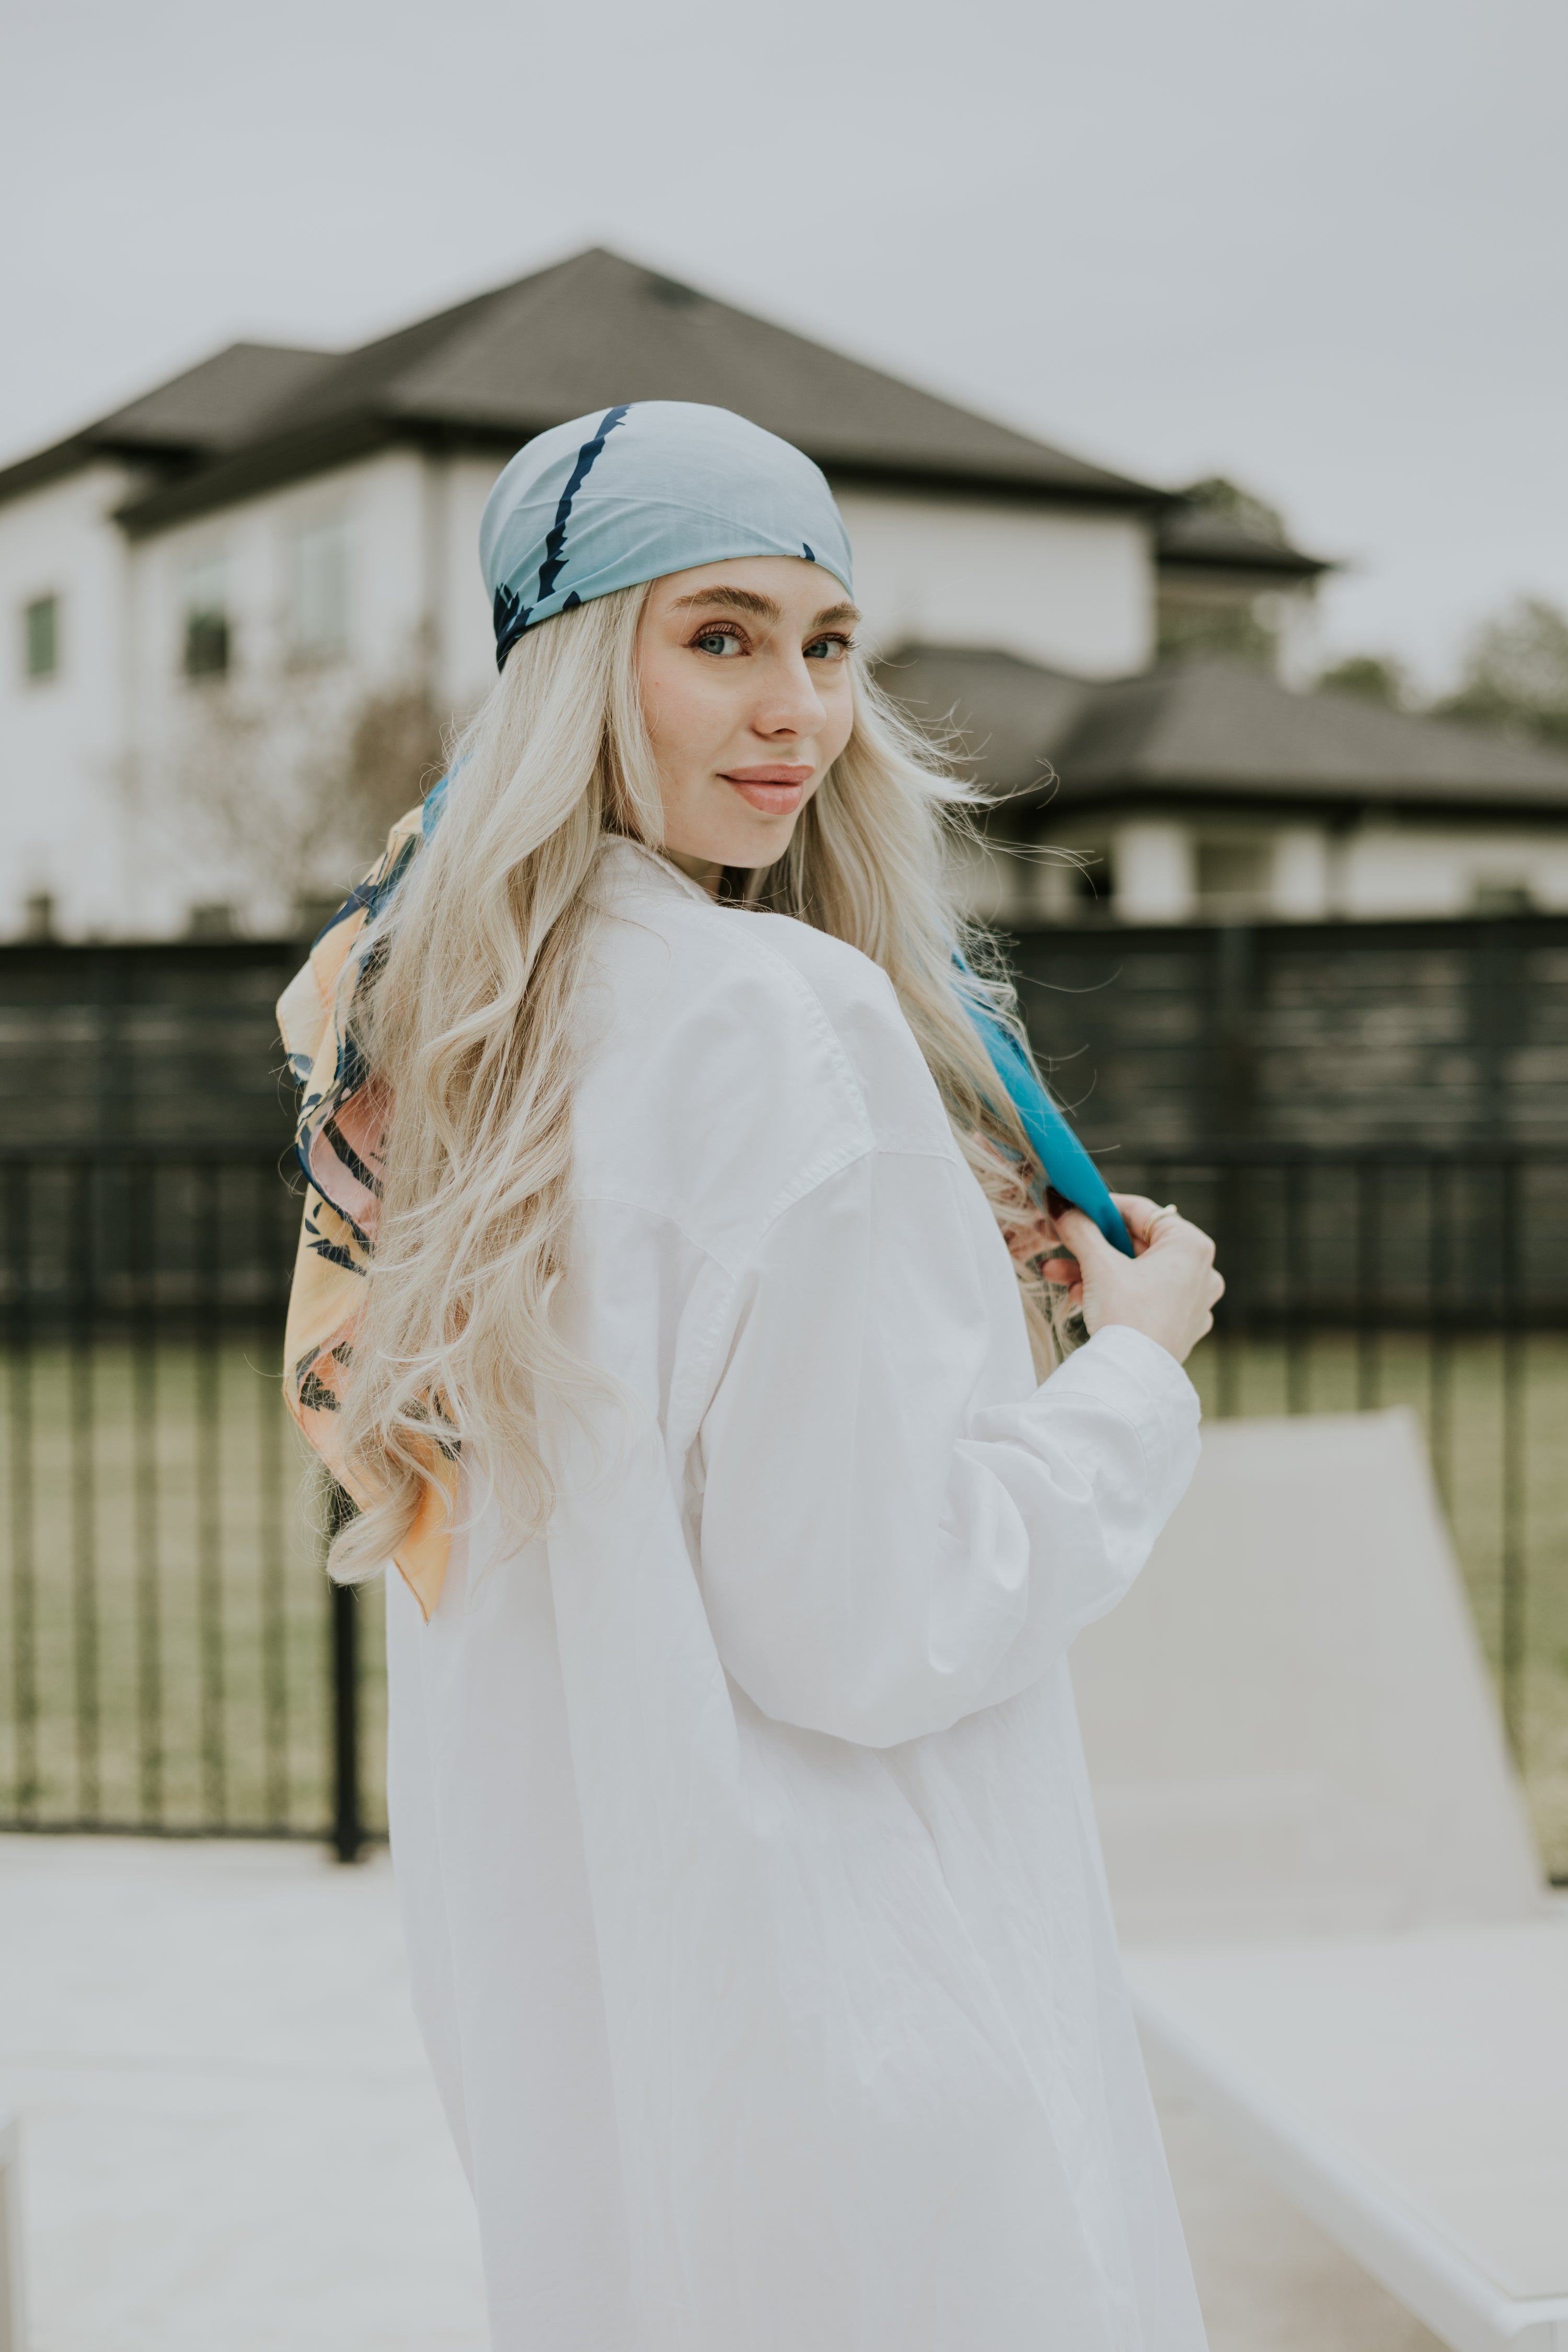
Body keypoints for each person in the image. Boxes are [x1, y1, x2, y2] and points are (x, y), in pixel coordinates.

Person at [276, 401, 1224, 2351]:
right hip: (856, 2054)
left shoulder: (432, 1037)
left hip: (595, 2044)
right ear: (570, 668)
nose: (797, 709)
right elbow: (876, 1621)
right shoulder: (781, 1016)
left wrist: (930, 1252)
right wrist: (1129, 1380)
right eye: (718, 636)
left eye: (828, 643)